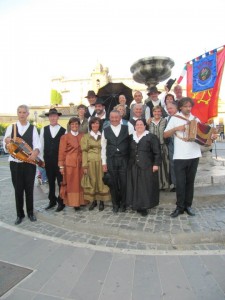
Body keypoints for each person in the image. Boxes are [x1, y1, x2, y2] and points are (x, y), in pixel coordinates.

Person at [163, 97, 216, 218]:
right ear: (180, 107)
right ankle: (179, 207)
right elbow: (165, 134)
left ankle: (188, 206)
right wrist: (177, 128)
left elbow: (204, 135)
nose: (188, 108)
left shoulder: (195, 119)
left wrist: (210, 137)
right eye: (185, 106)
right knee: (180, 183)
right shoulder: (175, 118)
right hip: (180, 156)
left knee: (190, 182)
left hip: (194, 154)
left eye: (189, 106)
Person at [3, 104, 41, 225]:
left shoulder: (33, 128)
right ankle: (20, 214)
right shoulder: (11, 127)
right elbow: (6, 146)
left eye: (24, 112)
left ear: (28, 114)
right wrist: (6, 141)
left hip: (29, 163)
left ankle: (30, 213)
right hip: (15, 163)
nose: (22, 114)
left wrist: (35, 153)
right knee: (18, 190)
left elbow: (37, 145)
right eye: (20, 112)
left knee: (29, 189)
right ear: (17, 113)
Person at [126, 119, 161, 216]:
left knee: (145, 187)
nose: (139, 126)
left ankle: (144, 206)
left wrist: (156, 164)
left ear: (145, 126)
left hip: (147, 165)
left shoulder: (151, 137)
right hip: (133, 165)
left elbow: (157, 152)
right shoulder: (130, 137)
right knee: (134, 185)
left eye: (141, 124)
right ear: (135, 126)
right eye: (137, 124)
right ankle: (135, 204)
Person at [101, 110, 131, 213]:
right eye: (112, 117)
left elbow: (132, 143)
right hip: (111, 159)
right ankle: (115, 204)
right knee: (113, 183)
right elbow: (103, 147)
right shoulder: (105, 130)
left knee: (124, 183)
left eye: (116, 117)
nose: (114, 119)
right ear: (109, 118)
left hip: (124, 159)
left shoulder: (127, 128)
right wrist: (104, 163)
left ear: (120, 118)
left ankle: (123, 204)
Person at [81, 117, 111, 211]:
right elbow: (84, 152)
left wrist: (106, 163)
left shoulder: (103, 135)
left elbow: (106, 149)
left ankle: (101, 201)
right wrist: (85, 165)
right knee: (92, 181)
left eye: (97, 123)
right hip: (90, 162)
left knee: (101, 181)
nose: (95, 125)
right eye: (93, 123)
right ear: (90, 125)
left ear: (99, 125)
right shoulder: (86, 136)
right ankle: (93, 201)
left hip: (102, 162)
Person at [40, 108, 66, 212]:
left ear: (58, 117)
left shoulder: (64, 130)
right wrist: (42, 160)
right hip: (48, 160)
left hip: (59, 161)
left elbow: (65, 148)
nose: (53, 118)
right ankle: (52, 201)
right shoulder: (44, 129)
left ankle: (61, 202)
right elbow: (41, 145)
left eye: (54, 116)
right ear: (49, 117)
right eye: (51, 116)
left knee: (60, 182)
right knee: (50, 182)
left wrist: (63, 162)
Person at [58, 117, 85, 210]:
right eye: (72, 124)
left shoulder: (83, 135)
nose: (74, 126)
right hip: (70, 164)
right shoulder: (64, 137)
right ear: (70, 125)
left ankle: (82, 201)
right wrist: (61, 166)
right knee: (73, 184)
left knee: (81, 182)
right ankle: (74, 203)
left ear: (79, 125)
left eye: (76, 124)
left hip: (81, 163)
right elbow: (61, 152)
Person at [149, 106, 170, 190]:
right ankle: (156, 185)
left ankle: (165, 184)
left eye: (159, 111)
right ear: (152, 112)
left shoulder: (165, 121)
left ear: (161, 112)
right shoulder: (149, 122)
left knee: (164, 165)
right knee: (154, 166)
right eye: (155, 111)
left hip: (162, 145)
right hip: (152, 148)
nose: (157, 113)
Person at [166, 102, 178, 192]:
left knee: (180, 165)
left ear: (176, 108)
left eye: (171, 108)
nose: (169, 110)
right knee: (173, 165)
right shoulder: (167, 118)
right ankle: (175, 184)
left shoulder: (180, 117)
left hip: (180, 145)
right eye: (168, 109)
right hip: (171, 144)